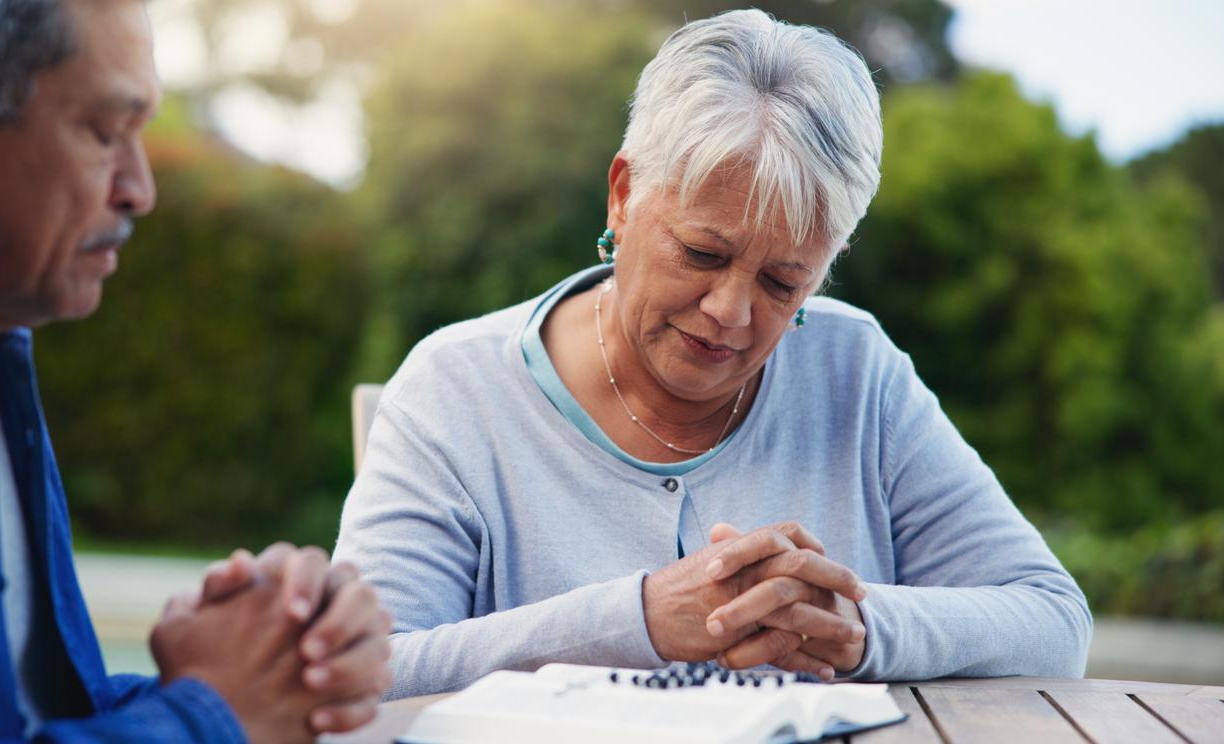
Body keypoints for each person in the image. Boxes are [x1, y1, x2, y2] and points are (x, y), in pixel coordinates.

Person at [335, 8, 1092, 700]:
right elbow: (362, 669)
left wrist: (858, 626)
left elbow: (1054, 622)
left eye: (781, 280)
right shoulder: (454, 389)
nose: (730, 310)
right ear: (623, 197)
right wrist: (637, 620)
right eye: (701, 252)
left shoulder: (856, 372)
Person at [0, 0, 390, 740]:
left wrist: (268, 659)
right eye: (105, 132)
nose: (138, 189)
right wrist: (214, 714)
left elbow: (6, 720)